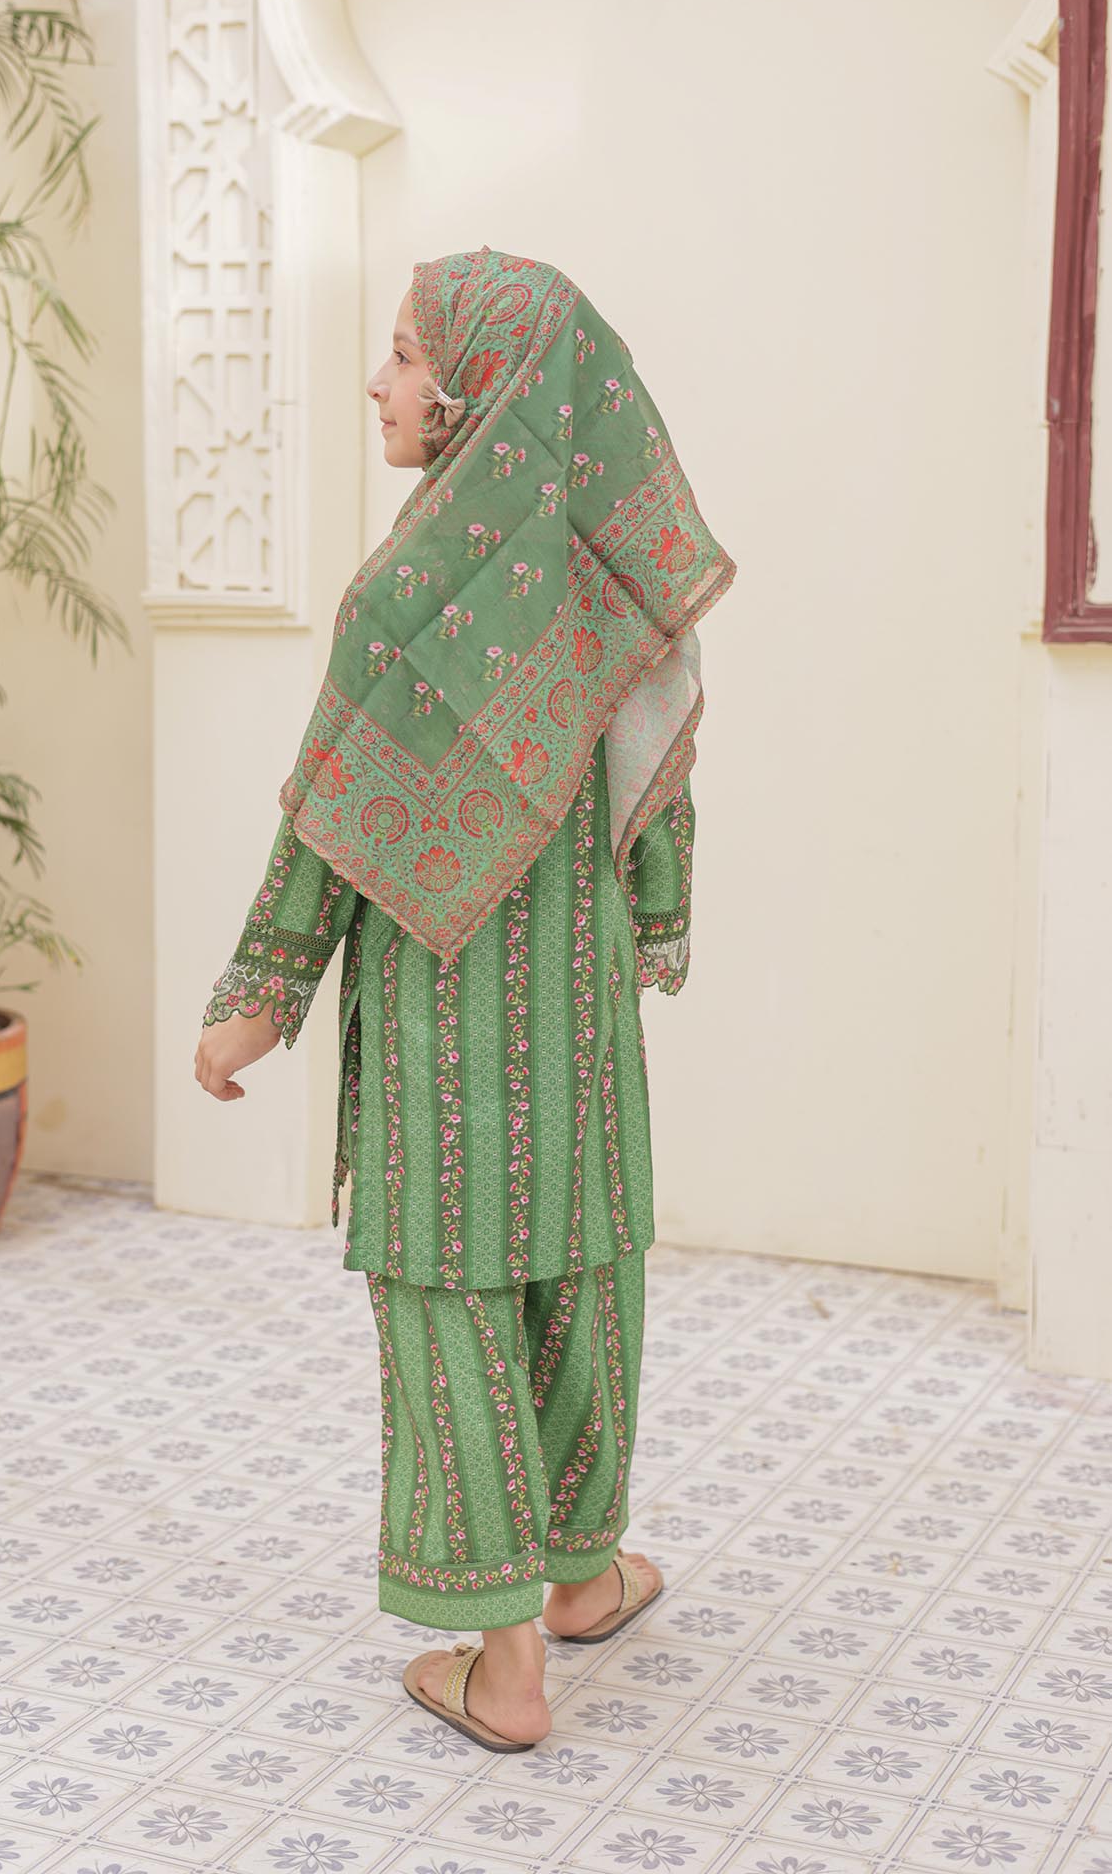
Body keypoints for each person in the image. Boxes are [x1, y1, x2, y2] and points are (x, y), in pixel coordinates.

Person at [194, 244, 736, 1753]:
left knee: (453, 1306)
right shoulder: (611, 585)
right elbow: (664, 791)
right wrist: (660, 923)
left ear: (478, 387)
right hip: (578, 1028)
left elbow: (334, 821)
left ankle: (502, 1666)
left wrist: (262, 992)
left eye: (406, 355)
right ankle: (580, 1580)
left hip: (440, 1037)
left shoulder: (410, 596)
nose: (381, 382)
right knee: (581, 1283)